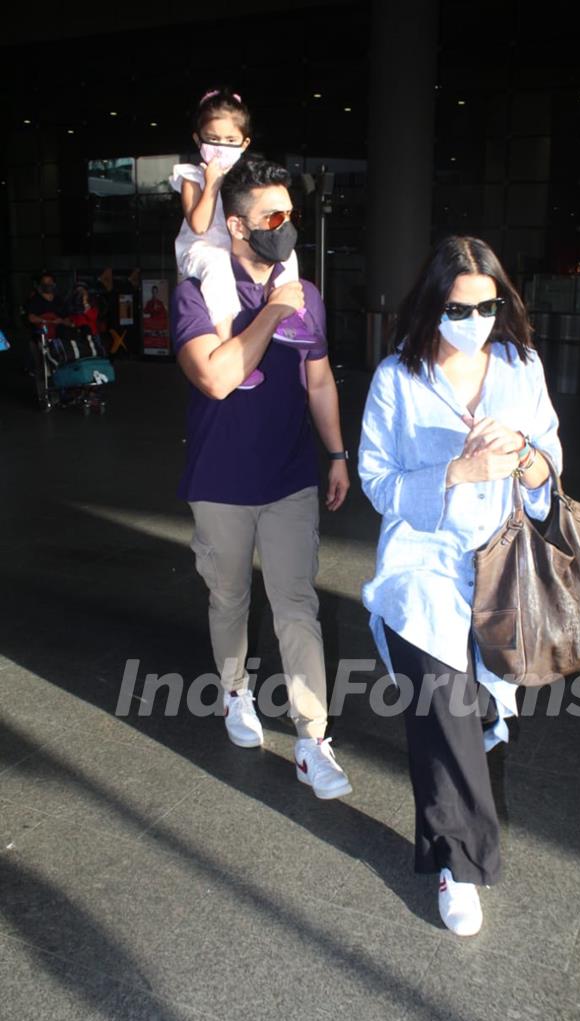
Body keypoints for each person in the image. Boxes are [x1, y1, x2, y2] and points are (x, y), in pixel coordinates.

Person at [358, 236, 562, 936]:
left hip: (500, 564)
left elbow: (550, 472)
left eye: (487, 306)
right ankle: (460, 862)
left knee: (471, 712)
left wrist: (526, 459)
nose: (474, 319)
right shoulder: (397, 377)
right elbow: (378, 481)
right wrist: (454, 473)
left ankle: (456, 838)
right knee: (441, 704)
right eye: (458, 307)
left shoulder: (521, 368)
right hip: (421, 563)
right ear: (432, 306)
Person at [170, 154, 353, 800]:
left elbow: (320, 378)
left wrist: (336, 454)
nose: (286, 228)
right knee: (229, 599)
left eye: (290, 215)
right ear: (238, 229)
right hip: (219, 480)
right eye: (271, 217)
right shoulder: (196, 294)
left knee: (296, 604)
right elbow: (218, 377)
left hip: (289, 478)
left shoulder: (307, 295)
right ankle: (234, 692)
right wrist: (274, 311)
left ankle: (312, 738)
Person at [170, 88, 306, 392]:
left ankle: (291, 317)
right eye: (213, 139)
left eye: (230, 141)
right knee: (219, 268)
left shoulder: (243, 174)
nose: (220, 147)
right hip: (202, 248)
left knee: (286, 251)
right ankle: (229, 344)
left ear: (245, 143)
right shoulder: (192, 176)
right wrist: (212, 184)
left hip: (231, 244)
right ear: (198, 139)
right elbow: (200, 224)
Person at [25, 271, 72, 340]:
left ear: (54, 284)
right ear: (41, 284)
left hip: (60, 336)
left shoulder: (59, 300)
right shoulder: (35, 300)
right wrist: (49, 322)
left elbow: (68, 320)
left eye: (49, 281)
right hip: (42, 336)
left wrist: (61, 321)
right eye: (44, 282)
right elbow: (31, 318)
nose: (47, 284)